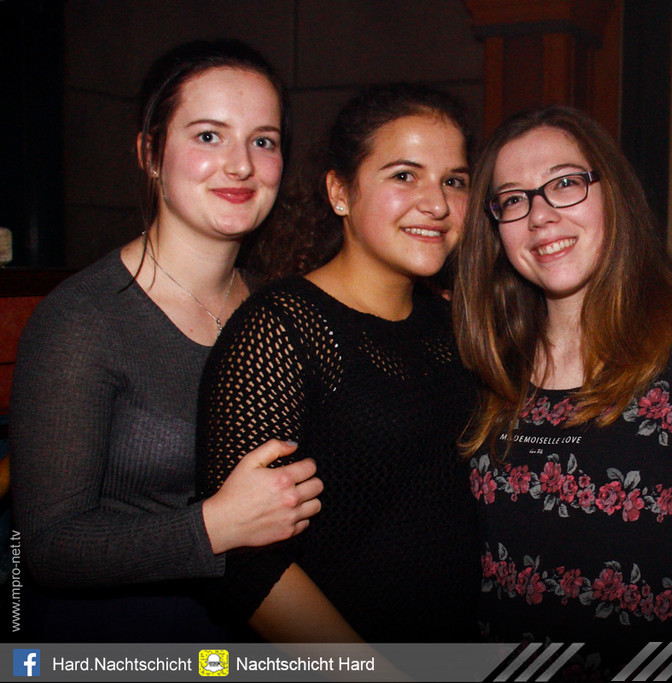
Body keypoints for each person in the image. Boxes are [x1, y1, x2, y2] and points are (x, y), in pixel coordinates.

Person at [9, 40, 323, 642]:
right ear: (150, 153)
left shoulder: (281, 310)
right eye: (208, 136)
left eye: (263, 141)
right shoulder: (83, 319)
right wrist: (213, 527)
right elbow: (45, 547)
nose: (241, 165)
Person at [452, 105, 672, 669]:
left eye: (565, 183)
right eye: (513, 200)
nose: (540, 216)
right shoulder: (490, 368)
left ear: (612, 194)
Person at [195, 83, 479, 643]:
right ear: (340, 192)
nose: (438, 204)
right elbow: (245, 559)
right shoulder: (281, 327)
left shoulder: (453, 325)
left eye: (454, 180)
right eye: (405, 175)